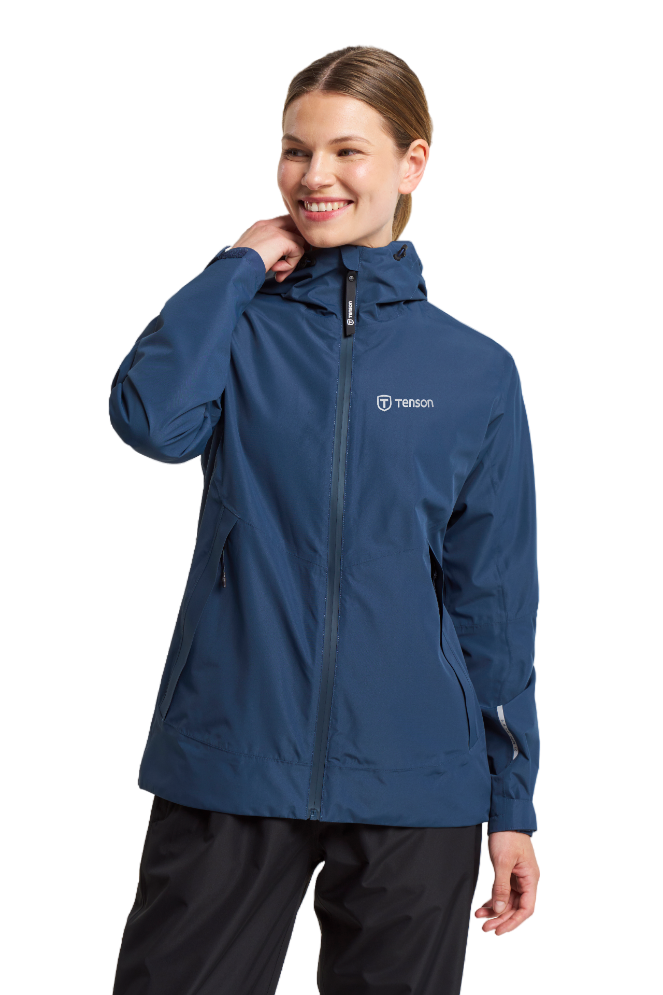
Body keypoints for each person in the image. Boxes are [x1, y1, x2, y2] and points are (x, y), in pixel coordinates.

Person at [111, 43, 540, 995]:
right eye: (294, 151)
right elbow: (144, 418)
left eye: (347, 151)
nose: (315, 176)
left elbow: (494, 597)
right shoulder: (237, 328)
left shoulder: (473, 363)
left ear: (410, 164)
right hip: (227, 760)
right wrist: (234, 265)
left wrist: (513, 804)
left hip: (414, 785)